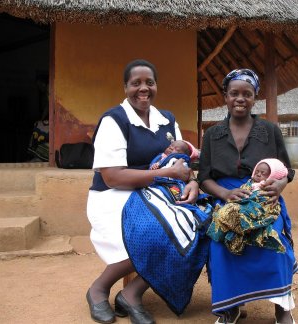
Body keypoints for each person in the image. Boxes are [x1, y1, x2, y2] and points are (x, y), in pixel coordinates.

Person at [86, 59, 209, 324]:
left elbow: (181, 163)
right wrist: (165, 174)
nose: (143, 89)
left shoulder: (167, 120)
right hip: (115, 195)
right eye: (136, 83)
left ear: (156, 86)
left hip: (158, 193)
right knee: (158, 231)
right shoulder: (114, 120)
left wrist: (192, 182)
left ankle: (131, 292)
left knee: (200, 224)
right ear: (125, 87)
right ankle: (99, 288)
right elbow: (112, 176)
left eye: (149, 83)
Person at [198, 68, 298, 324]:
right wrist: (225, 193)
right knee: (222, 240)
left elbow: (287, 170)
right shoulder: (212, 135)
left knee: (272, 237)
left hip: (265, 198)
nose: (240, 98)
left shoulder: (269, 130)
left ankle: (282, 307)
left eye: (247, 94)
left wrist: (279, 186)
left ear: (255, 98)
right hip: (227, 198)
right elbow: (204, 178)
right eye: (234, 93)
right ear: (225, 97)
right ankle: (231, 307)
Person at [206, 158, 288, 255]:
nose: (258, 174)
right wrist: (228, 194)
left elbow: (264, 202)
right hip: (228, 194)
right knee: (223, 217)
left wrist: (280, 184)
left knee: (272, 235)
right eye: (256, 172)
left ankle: (241, 230)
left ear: (272, 176)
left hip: (259, 207)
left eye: (263, 173)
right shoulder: (250, 183)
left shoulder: (267, 187)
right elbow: (203, 176)